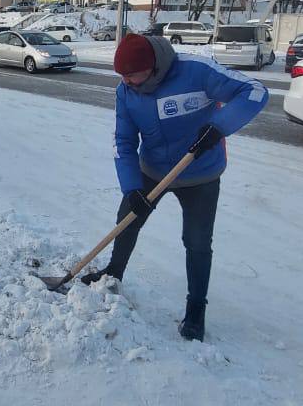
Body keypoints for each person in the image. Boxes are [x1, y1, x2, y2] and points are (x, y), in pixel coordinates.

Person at [81, 33, 267, 342]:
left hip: (201, 173)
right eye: (121, 76)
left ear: (152, 68)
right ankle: (112, 274)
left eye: (131, 75)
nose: (126, 82)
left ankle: (196, 309)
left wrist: (218, 127)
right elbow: (124, 142)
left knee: (196, 241)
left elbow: (254, 91)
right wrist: (131, 188)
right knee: (127, 220)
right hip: (151, 170)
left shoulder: (196, 71)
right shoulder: (126, 92)